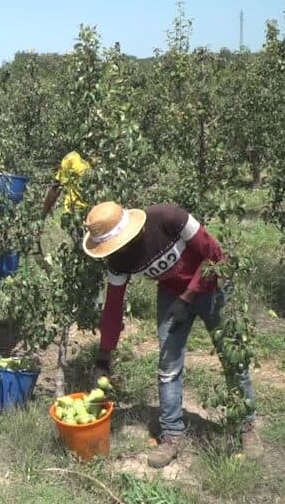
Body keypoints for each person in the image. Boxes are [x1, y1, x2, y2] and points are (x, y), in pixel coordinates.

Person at [82, 201, 261, 468]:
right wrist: (103, 358)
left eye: (118, 245)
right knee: (168, 365)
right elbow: (113, 308)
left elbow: (215, 254)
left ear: (134, 233)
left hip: (212, 285)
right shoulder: (118, 261)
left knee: (231, 356)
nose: (116, 253)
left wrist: (187, 298)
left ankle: (247, 426)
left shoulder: (167, 218)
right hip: (171, 294)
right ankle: (172, 434)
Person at [42, 150, 91, 217]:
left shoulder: (69, 159)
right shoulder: (73, 158)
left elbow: (55, 189)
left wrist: (43, 215)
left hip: (77, 209)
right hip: (85, 208)